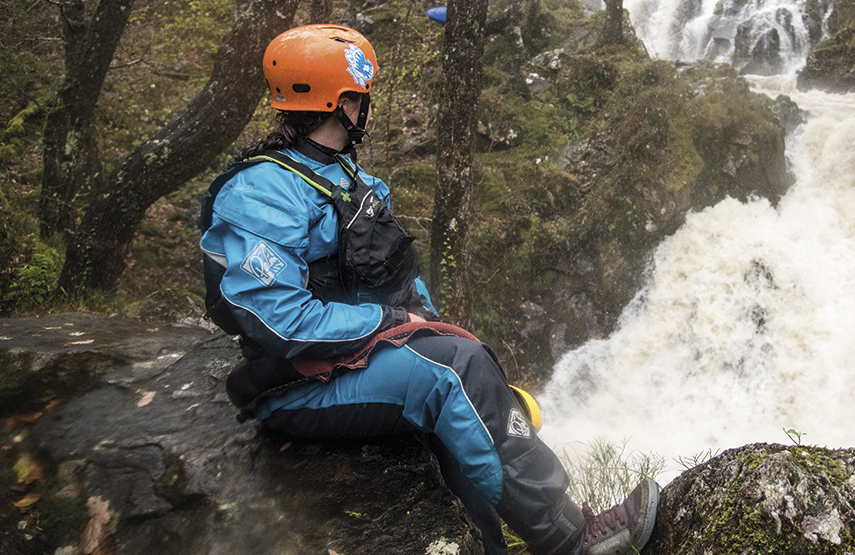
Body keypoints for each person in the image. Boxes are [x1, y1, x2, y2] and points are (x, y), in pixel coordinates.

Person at [198, 23, 658, 555]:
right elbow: (278, 319)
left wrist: (422, 321)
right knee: (456, 372)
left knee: (463, 374)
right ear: (343, 103)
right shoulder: (260, 191)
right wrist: (393, 328)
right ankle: (570, 540)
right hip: (295, 384)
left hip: (347, 360)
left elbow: (396, 276)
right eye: (361, 97)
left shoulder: (345, 176)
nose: (365, 107)